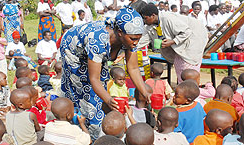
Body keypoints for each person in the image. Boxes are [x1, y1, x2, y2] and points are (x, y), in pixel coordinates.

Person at [60, 6, 151, 140]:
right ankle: (87, 133)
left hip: (95, 52)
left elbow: (133, 69)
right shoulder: (98, 41)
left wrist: (144, 92)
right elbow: (94, 79)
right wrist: (108, 99)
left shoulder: (129, 38)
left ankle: (94, 121)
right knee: (86, 91)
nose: (135, 43)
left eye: (138, 38)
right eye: (133, 39)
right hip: (73, 49)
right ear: (120, 32)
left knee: (101, 88)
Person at [139, 4, 208, 83]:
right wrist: (126, 52)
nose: (144, 21)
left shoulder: (168, 18)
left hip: (193, 39)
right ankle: (183, 89)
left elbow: (186, 32)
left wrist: (172, 41)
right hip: (179, 47)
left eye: (145, 18)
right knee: (180, 68)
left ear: (153, 15)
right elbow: (141, 42)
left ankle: (191, 90)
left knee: (188, 71)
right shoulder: (149, 26)